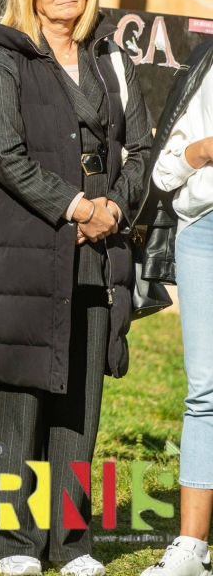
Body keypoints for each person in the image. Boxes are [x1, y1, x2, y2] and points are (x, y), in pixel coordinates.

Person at [0, 0, 152, 576]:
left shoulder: (109, 56)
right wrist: (77, 206)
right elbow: (6, 156)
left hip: (100, 252)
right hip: (29, 249)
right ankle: (14, 544)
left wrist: (116, 209)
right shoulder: (3, 57)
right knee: (19, 398)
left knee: (81, 399)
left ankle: (71, 543)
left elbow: (144, 151)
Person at [140, 39, 213, 576]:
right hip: (202, 232)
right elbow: (164, 174)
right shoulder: (207, 61)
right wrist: (204, 150)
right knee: (206, 389)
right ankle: (191, 548)